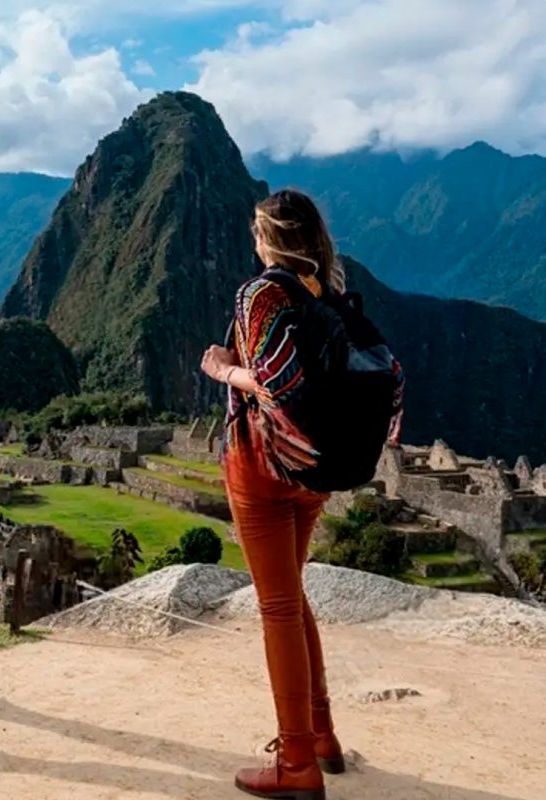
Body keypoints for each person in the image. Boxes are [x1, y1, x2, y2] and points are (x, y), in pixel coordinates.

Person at [201, 190, 372, 799]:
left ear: (266, 238)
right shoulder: (327, 291)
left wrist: (221, 368)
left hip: (264, 468)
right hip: (315, 471)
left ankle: (296, 761)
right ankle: (320, 735)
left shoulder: (262, 294)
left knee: (277, 607)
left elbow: (272, 385)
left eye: (255, 233)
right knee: (292, 599)